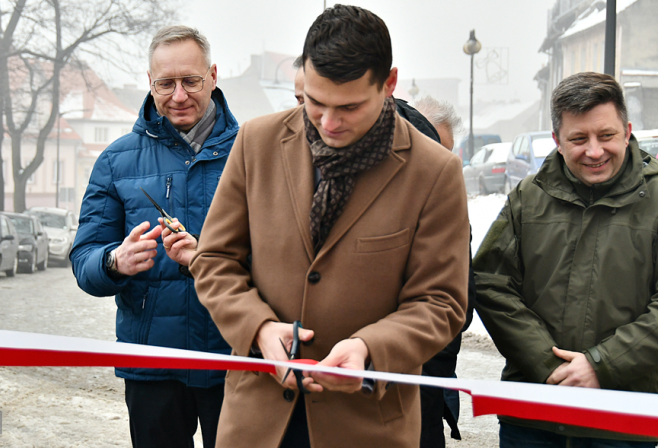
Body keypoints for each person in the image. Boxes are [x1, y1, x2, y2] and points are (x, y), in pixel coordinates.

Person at [190, 5, 469, 448]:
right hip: (256, 421)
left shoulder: (434, 171)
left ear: (389, 84)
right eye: (315, 103)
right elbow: (214, 260)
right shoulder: (256, 142)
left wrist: (370, 350)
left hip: (367, 423)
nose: (328, 123)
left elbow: (441, 302)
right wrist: (259, 329)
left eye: (350, 107)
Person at [70, 25, 238, 448]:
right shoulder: (116, 160)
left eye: (191, 81)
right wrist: (114, 262)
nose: (178, 95)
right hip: (150, 364)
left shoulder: (252, 152)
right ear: (150, 83)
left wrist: (207, 260)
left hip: (232, 361)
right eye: (166, 83)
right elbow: (84, 258)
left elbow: (284, 257)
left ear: (213, 76)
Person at [474, 71, 658, 447]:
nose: (594, 151)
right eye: (578, 139)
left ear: (627, 130)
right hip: (533, 418)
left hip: (625, 421)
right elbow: (490, 283)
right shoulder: (527, 198)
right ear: (557, 141)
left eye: (606, 135)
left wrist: (601, 364)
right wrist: (549, 367)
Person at [413, 95, 473, 448]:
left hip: (431, 385)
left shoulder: (448, 201)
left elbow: (463, 300)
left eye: (447, 153)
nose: (441, 162)